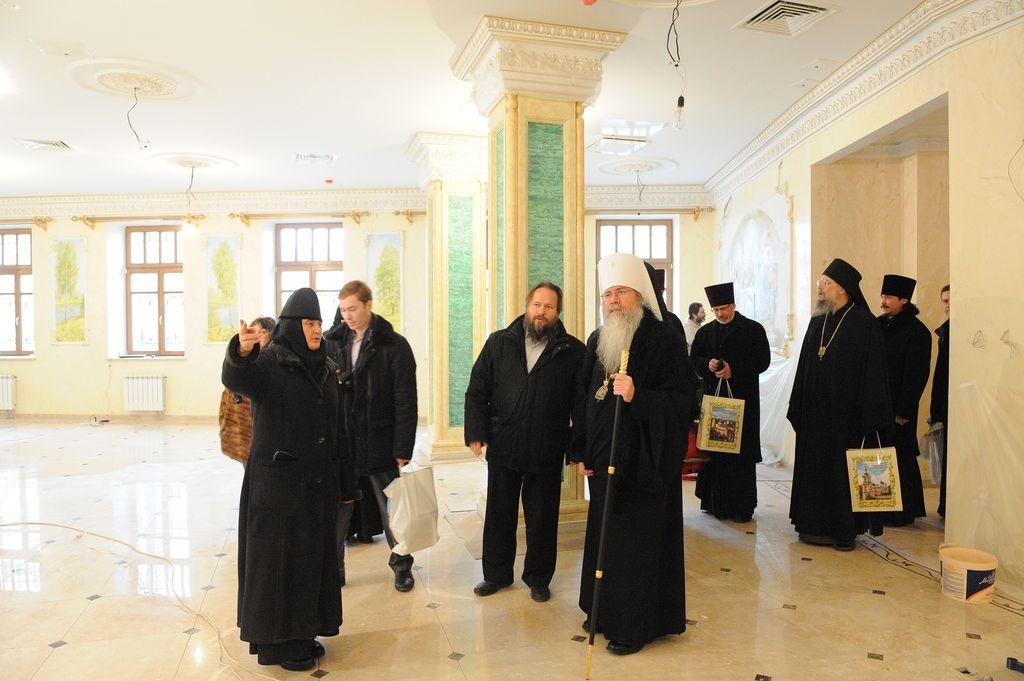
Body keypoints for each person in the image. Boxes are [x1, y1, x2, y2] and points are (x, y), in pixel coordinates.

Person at [221, 288, 357, 672]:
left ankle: (304, 634)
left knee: (308, 565)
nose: (316, 330)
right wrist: (241, 351)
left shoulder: (324, 366)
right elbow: (238, 378)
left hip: (315, 486)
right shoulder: (271, 361)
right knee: (279, 567)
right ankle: (280, 646)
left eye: (318, 323)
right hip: (277, 489)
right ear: (293, 325)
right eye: (309, 323)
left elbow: (337, 429)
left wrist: (346, 484)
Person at [570, 252, 695, 656]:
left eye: (620, 292)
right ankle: (602, 611)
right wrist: (582, 448)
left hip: (644, 466)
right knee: (605, 538)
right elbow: (586, 398)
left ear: (639, 295)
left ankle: (634, 626)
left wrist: (639, 397)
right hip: (603, 461)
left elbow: (682, 402)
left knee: (635, 547)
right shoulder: (598, 339)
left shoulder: (664, 339)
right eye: (607, 294)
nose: (613, 301)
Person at [464, 282, 585, 602]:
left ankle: (539, 578)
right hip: (504, 444)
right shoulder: (499, 342)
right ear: (527, 306)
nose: (541, 312)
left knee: (542, 518)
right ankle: (496, 574)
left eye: (549, 307)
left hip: (547, 448)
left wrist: (578, 449)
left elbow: (581, 406)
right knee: (499, 514)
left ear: (558, 312)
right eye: (537, 305)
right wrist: (476, 432)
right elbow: (477, 390)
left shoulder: (573, 351)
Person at [787, 258, 892, 551]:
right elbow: (805, 366)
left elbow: (874, 374)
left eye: (826, 283)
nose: (820, 288)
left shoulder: (864, 323)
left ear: (843, 288)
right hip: (814, 416)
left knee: (840, 474)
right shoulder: (817, 320)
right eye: (820, 283)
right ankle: (810, 525)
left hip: (846, 419)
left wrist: (869, 416)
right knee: (813, 472)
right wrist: (799, 404)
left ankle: (843, 532)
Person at [325, 280, 418, 592]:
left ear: (368, 305)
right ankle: (334, 570)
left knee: (392, 510)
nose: (347, 316)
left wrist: (403, 447)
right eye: (343, 310)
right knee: (339, 510)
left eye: (353, 309)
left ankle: (402, 567)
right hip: (343, 442)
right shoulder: (332, 343)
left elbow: (405, 399)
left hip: (380, 440)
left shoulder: (394, 345)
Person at [690, 282, 771, 522]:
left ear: (734, 305)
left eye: (724, 308)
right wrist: (707, 365)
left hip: (743, 402)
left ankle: (741, 507)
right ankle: (715, 504)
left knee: (740, 454)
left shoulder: (753, 330)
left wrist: (734, 370)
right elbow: (694, 361)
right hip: (714, 402)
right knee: (716, 453)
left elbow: (763, 361)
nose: (720, 314)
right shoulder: (705, 332)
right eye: (715, 310)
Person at [877, 274, 931, 526]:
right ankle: (880, 506)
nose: (883, 301)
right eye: (883, 296)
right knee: (881, 454)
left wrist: (904, 410)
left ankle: (904, 511)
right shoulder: (879, 325)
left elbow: (916, 375)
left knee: (902, 456)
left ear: (904, 300)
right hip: (879, 403)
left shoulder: (917, 332)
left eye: (888, 297)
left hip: (900, 407)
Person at [218, 316, 275, 465]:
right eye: (254, 330)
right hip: (242, 427)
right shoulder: (240, 358)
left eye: (263, 331)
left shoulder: (273, 361)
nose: (258, 334)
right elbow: (231, 388)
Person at [930, 284, 950, 517]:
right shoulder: (945, 331)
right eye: (944, 301)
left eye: (951, 300)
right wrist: (936, 411)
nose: (948, 305)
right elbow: (940, 374)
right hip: (946, 405)